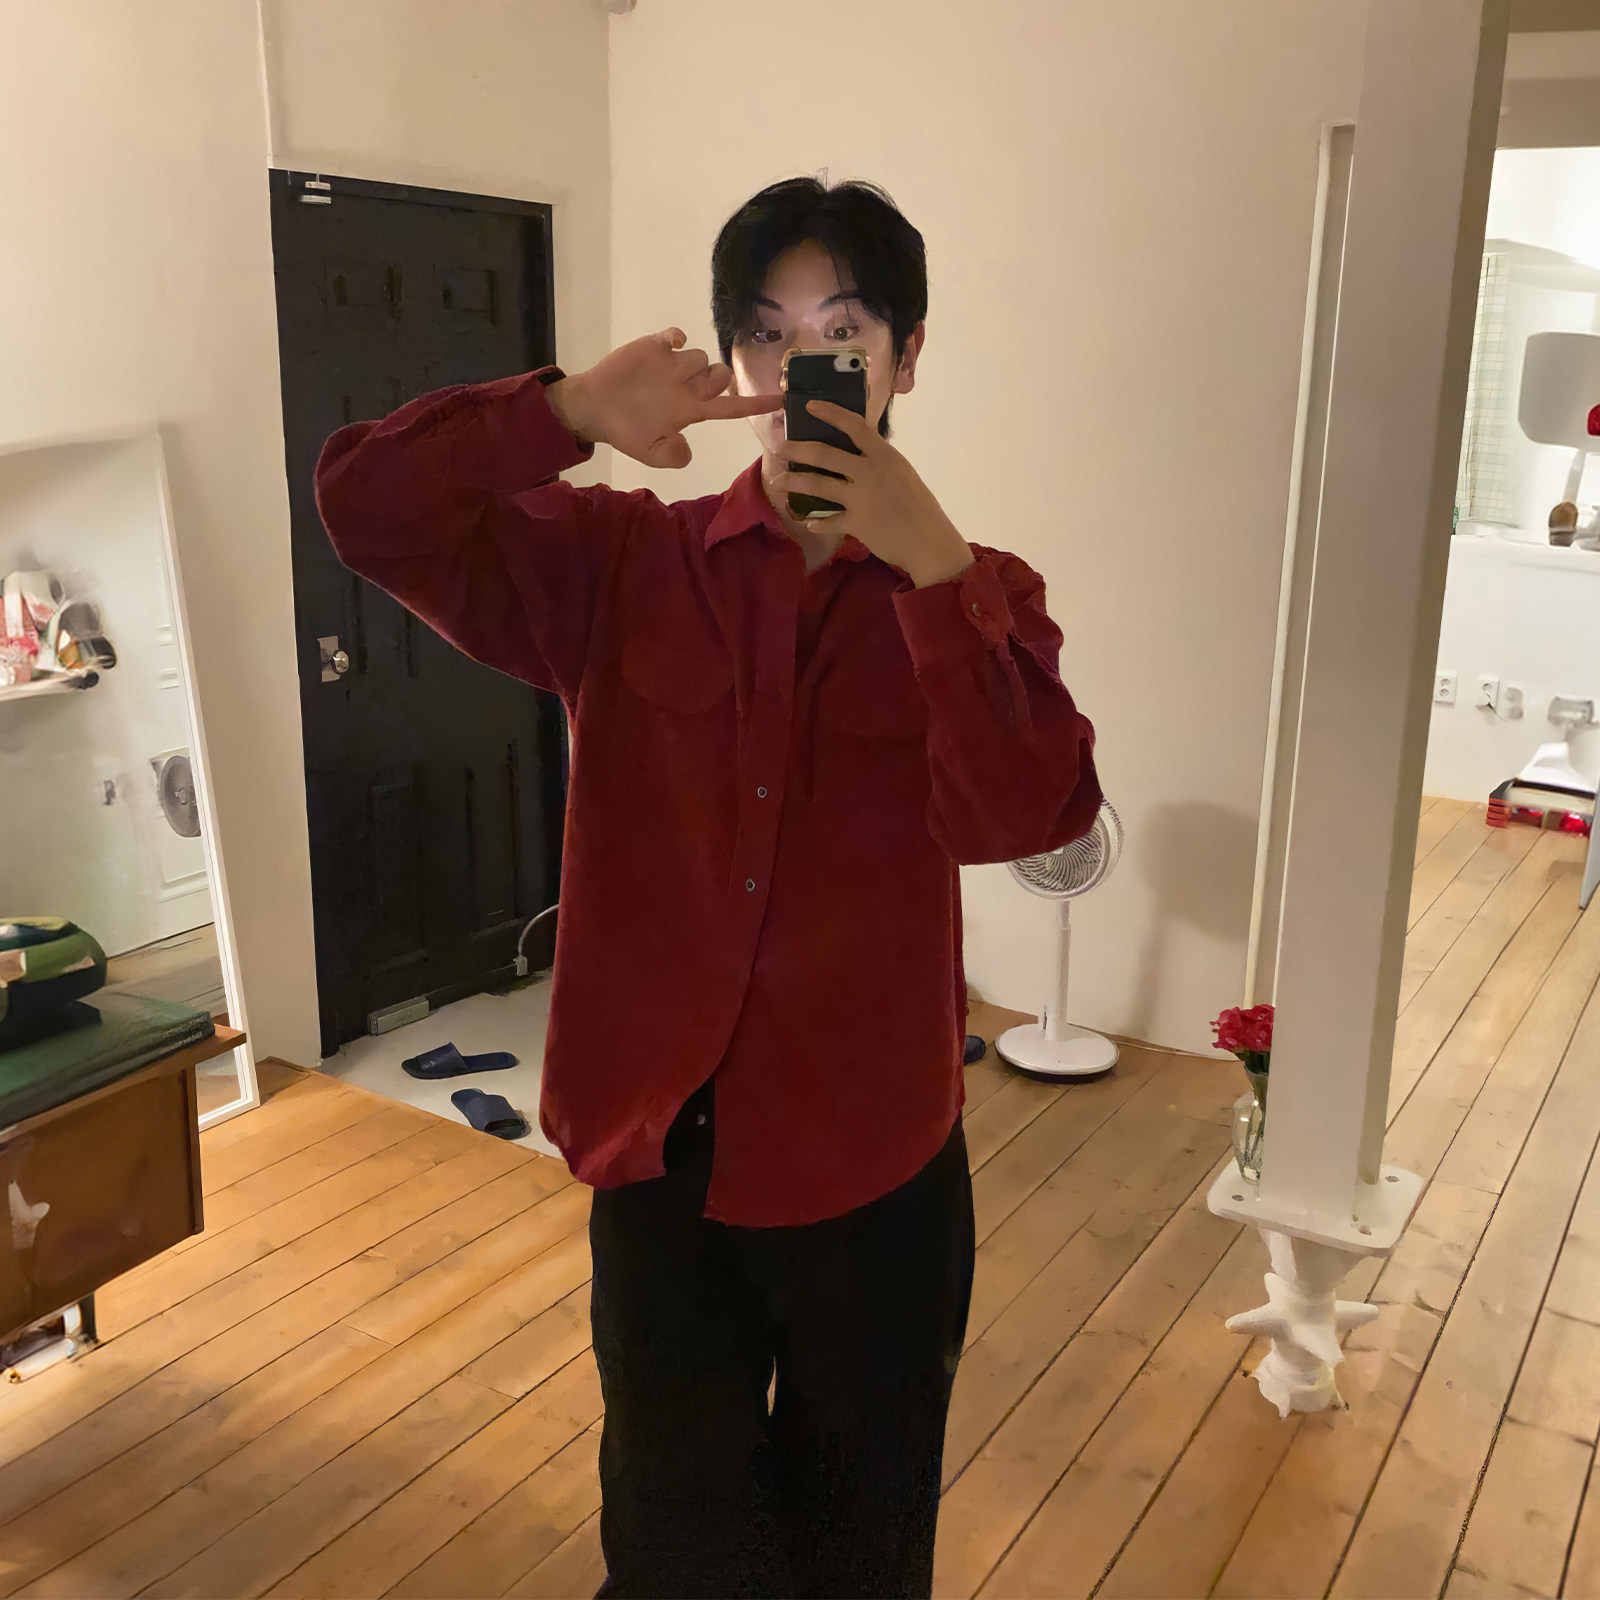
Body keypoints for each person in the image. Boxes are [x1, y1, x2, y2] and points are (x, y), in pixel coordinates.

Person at [315, 175, 1101, 1600]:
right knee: (673, 1541)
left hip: (877, 1160)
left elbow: (1029, 815)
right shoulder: (625, 563)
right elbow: (367, 506)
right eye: (771, 334)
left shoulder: (985, 591)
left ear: (907, 357)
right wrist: (562, 411)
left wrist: (933, 565)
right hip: (659, 1150)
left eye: (845, 332)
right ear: (738, 363)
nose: (805, 367)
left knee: (862, 1552)